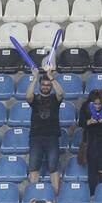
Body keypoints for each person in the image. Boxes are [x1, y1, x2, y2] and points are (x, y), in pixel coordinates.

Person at [25, 63, 63, 193]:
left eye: (48, 85)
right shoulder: (35, 99)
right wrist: (35, 78)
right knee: (34, 167)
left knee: (53, 167)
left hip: (52, 137)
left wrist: (50, 77)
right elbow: (28, 96)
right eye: (43, 85)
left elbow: (60, 93)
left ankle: (55, 195)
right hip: (36, 137)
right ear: (40, 86)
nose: (46, 87)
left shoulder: (55, 99)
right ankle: (33, 195)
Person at [77, 89, 102, 196]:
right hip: (90, 140)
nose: (97, 106)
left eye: (99, 104)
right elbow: (81, 123)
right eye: (95, 104)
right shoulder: (85, 106)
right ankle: (92, 194)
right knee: (92, 168)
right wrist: (88, 122)